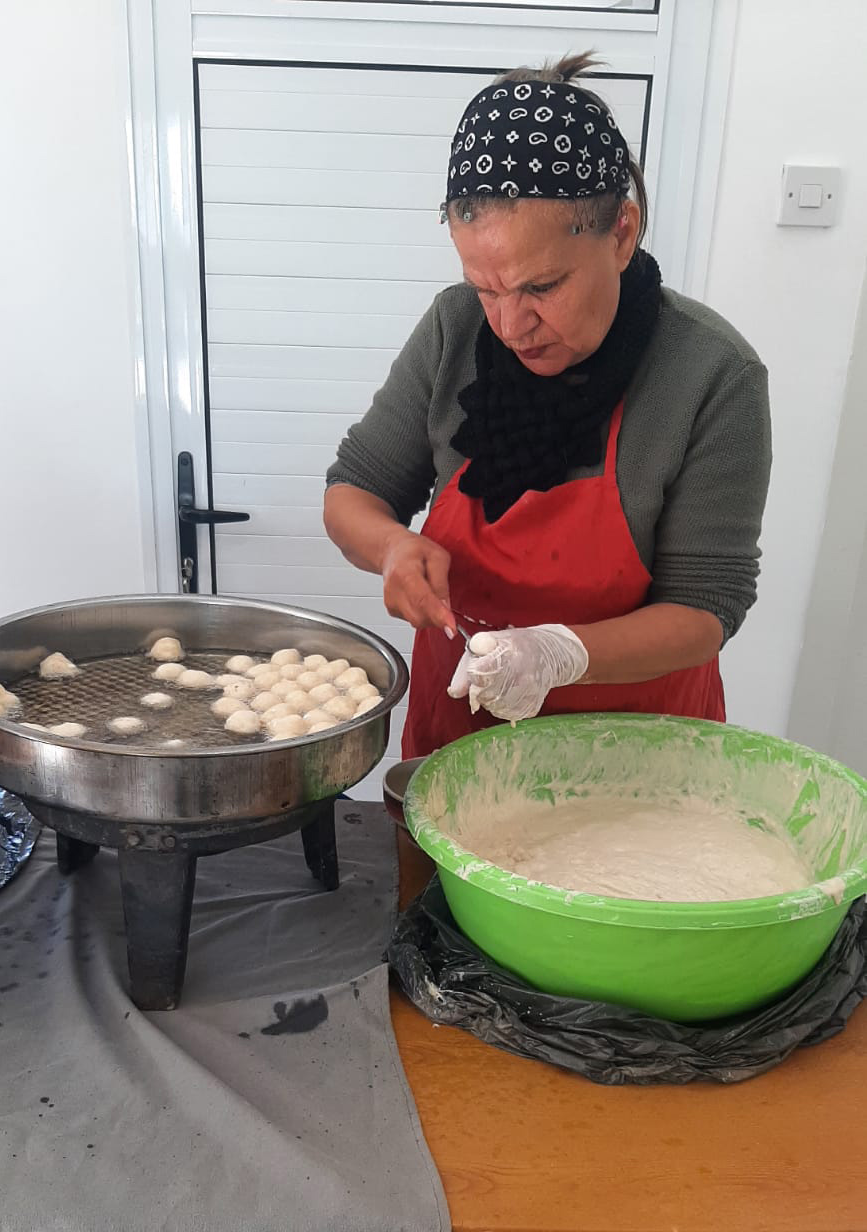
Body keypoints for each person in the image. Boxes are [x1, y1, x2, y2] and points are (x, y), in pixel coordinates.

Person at [324, 53, 771, 760]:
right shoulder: (453, 330)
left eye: (542, 286)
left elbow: (707, 606)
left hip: (637, 759)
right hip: (461, 744)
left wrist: (562, 655)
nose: (510, 324)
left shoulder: (711, 373)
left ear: (621, 234)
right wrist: (391, 547)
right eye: (486, 287)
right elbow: (353, 491)